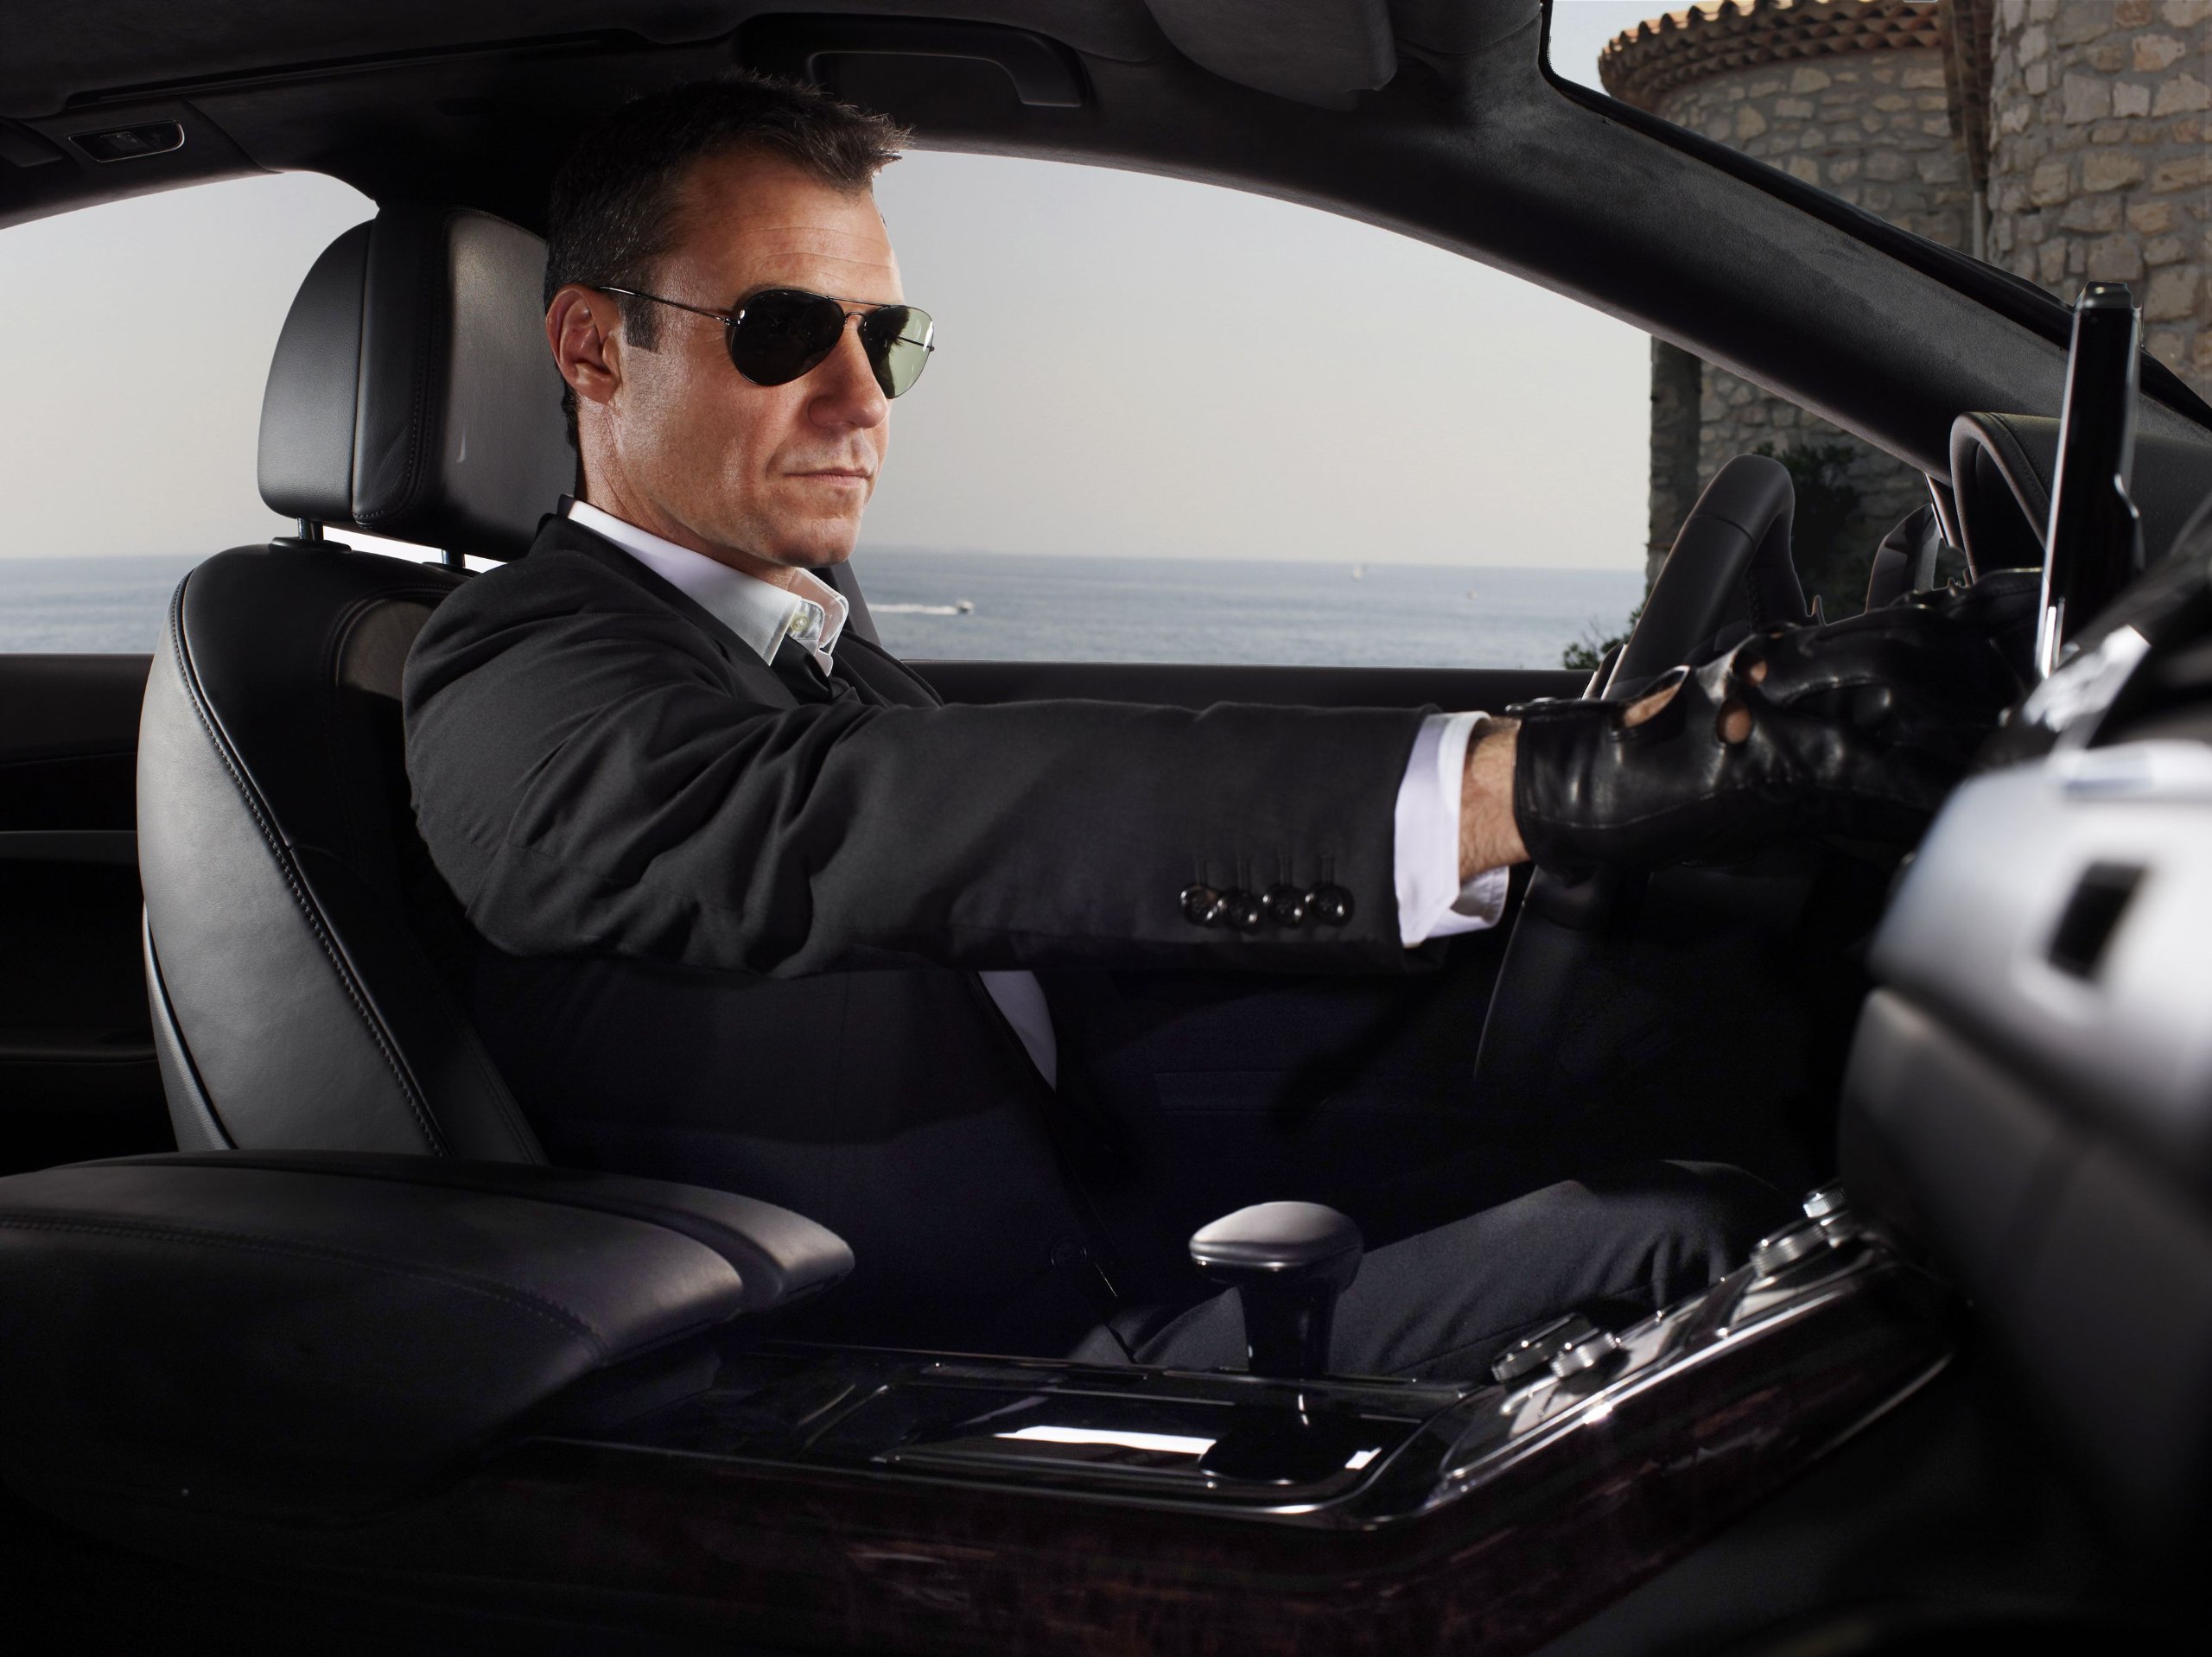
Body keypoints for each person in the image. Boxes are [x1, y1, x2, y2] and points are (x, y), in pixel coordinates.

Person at [403, 75, 2012, 1373]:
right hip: (937, 1384)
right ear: (593, 347)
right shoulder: (510, 671)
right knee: (1700, 1248)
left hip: (1122, 1231)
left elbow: (1022, 883)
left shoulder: (816, 649)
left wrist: (1574, 795)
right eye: (779, 331)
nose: (864, 397)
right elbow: (894, 816)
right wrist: (1571, 773)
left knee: (1683, 1163)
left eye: (886, 337)